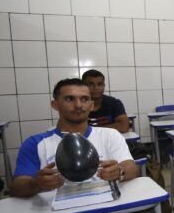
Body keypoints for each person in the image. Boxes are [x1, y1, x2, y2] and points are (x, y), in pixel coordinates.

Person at [10, 78, 139, 198]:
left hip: (105, 208)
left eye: (84, 99)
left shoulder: (110, 135)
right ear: (55, 105)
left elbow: (131, 167)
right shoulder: (35, 143)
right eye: (69, 99)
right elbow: (17, 186)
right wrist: (36, 184)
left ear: (91, 105)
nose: (78, 105)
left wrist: (120, 172)